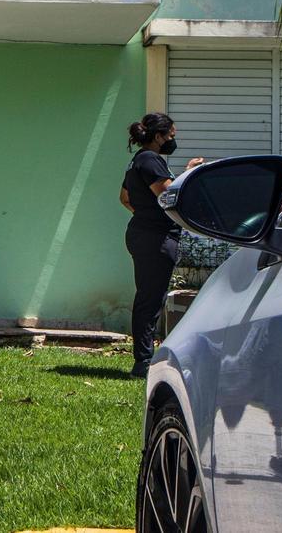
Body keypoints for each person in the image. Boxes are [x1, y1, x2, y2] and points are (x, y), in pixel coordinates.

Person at [119, 112, 204, 378]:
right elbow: (169, 195)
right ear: (158, 137)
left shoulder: (138, 161)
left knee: (148, 296)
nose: (172, 141)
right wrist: (189, 173)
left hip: (143, 234)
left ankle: (144, 359)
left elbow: (124, 198)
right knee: (150, 299)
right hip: (155, 239)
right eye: (170, 137)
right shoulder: (151, 159)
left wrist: (145, 215)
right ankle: (143, 362)